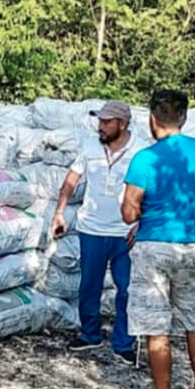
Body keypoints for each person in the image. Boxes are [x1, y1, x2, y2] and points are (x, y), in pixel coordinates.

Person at [121, 89, 195, 389]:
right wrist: (187, 207)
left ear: (152, 119)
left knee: (156, 328)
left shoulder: (145, 159)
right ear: (183, 117)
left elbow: (128, 212)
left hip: (153, 247)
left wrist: (145, 213)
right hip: (190, 246)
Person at [50, 100, 141, 365]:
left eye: (106, 122)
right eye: (100, 121)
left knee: (126, 289)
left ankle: (124, 342)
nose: (100, 126)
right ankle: (90, 333)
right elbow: (71, 180)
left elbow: (152, 189)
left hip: (125, 233)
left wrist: (141, 222)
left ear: (122, 124)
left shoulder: (141, 151)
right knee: (89, 284)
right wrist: (59, 212)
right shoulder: (90, 146)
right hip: (91, 228)